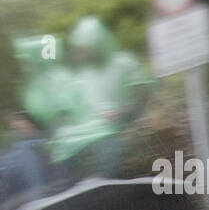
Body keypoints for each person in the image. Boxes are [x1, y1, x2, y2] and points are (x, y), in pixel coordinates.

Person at [48, 17, 150, 179]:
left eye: (84, 48)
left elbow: (142, 96)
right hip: (92, 128)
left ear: (98, 43)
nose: (81, 53)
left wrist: (122, 112)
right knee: (62, 139)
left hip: (117, 124)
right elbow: (72, 109)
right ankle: (71, 188)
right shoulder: (83, 75)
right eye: (79, 48)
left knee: (105, 137)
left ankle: (105, 183)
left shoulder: (124, 63)